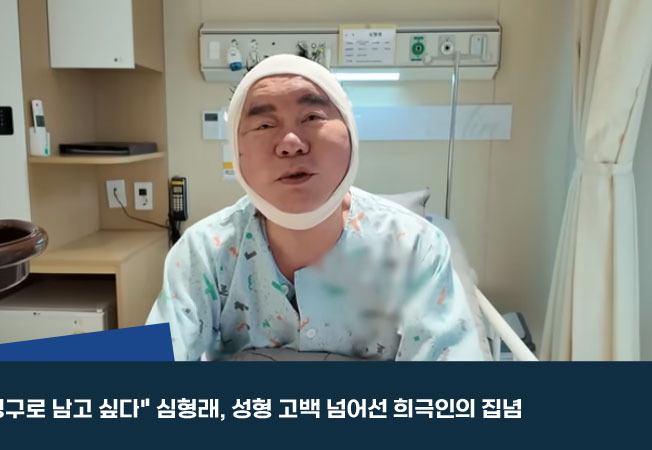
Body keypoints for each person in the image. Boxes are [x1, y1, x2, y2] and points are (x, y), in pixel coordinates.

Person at [146, 54, 487, 361]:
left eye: (312, 116)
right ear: (238, 152)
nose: (291, 143)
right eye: (264, 125)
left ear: (350, 132)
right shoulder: (202, 252)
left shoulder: (417, 248)